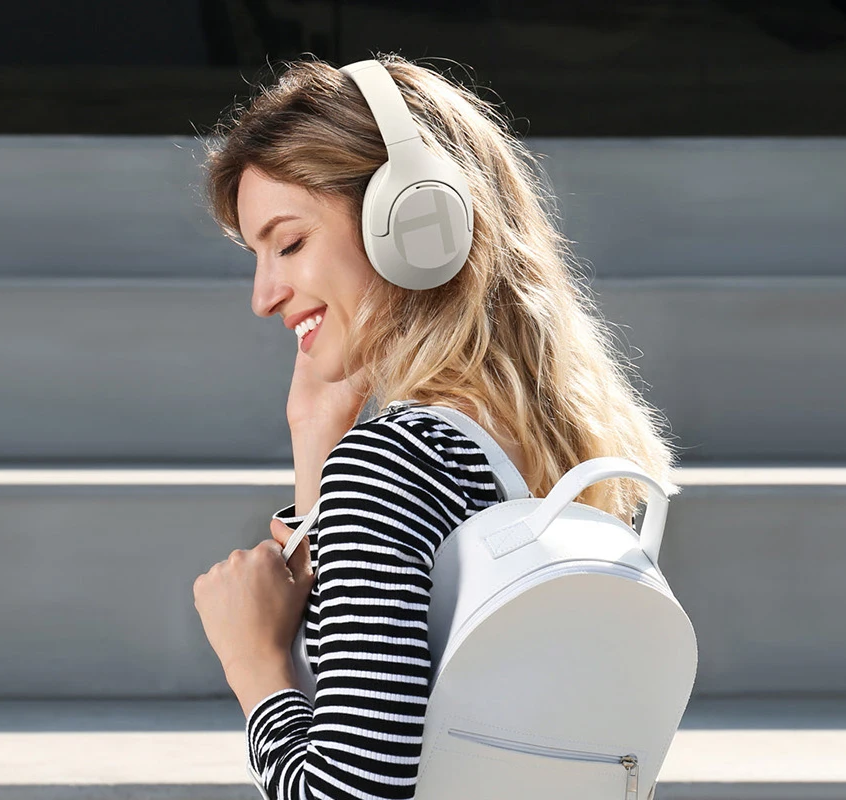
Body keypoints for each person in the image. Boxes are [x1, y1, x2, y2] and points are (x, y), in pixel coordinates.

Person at [189, 54, 679, 800]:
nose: (264, 296)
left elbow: (348, 792)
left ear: (415, 220)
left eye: (288, 244)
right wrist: (317, 436)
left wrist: (253, 661)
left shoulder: (395, 465)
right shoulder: (557, 453)